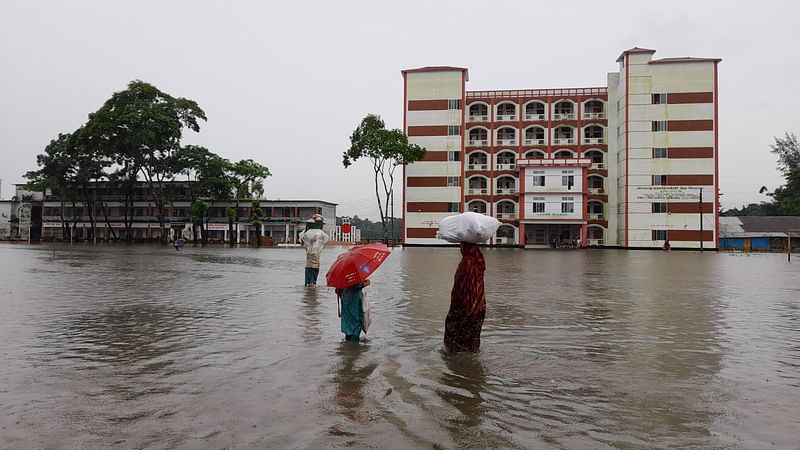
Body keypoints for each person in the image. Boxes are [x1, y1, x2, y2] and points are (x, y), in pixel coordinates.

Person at [444, 242, 487, 352]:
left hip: (464, 303)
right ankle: (471, 355)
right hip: (479, 304)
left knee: (454, 329)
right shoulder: (479, 261)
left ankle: (454, 358)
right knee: (472, 333)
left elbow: (461, 284)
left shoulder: (466, 262)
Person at [299, 216, 329, 287]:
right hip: (316, 254)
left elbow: (301, 240)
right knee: (315, 268)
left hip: (308, 254)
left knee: (309, 268)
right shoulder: (320, 232)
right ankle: (313, 283)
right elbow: (325, 239)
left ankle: (308, 283)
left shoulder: (305, 233)